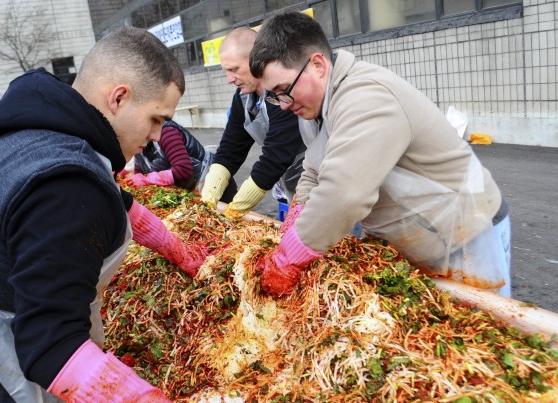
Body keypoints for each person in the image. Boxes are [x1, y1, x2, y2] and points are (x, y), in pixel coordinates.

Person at [0, 28, 207, 403]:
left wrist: (176, 248)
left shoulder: (38, 131)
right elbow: (52, 345)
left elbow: (118, 202)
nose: (157, 137)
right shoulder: (63, 183)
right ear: (119, 97)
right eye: (157, 119)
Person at [249, 12, 511, 297]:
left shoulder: (366, 97)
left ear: (317, 65)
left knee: (473, 328)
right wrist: (297, 216)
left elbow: (344, 195)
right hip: (409, 237)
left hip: (462, 233)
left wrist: (289, 257)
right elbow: (313, 168)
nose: (283, 105)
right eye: (274, 97)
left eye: (283, 90)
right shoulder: (315, 109)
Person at [200, 26, 306, 219]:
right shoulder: (243, 97)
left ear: (255, 59)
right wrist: (209, 197)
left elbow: (276, 155)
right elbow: (231, 148)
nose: (229, 79)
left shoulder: (281, 92)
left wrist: (234, 211)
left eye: (234, 70)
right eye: (226, 71)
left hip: (316, 185)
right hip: (284, 188)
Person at [122, 119, 212, 191]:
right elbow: (140, 171)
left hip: (206, 182)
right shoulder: (139, 144)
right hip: (182, 189)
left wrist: (146, 179)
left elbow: (183, 169)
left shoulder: (166, 132)